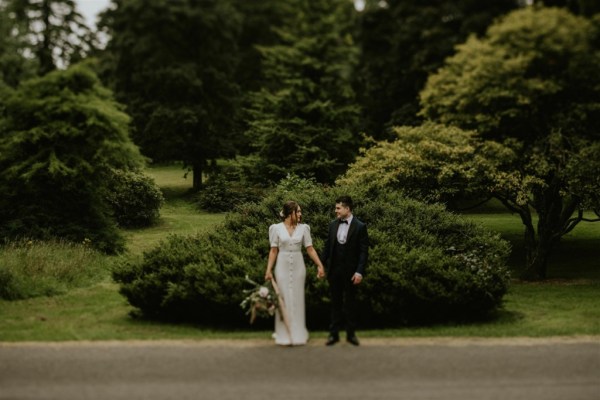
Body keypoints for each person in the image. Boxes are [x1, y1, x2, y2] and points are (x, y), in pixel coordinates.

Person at [265, 201, 325, 346]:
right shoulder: (276, 228)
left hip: (298, 267)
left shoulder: (304, 228)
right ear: (289, 213)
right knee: (283, 298)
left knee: (297, 299)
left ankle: (298, 334)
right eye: (297, 211)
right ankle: (283, 334)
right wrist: (268, 270)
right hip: (282, 266)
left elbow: (310, 248)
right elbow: (273, 250)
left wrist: (320, 265)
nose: (300, 214)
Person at [321, 195, 369, 346]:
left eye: (338, 208)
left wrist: (359, 271)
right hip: (334, 271)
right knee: (335, 303)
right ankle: (333, 335)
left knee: (350, 304)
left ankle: (351, 335)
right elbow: (327, 248)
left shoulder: (360, 226)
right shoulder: (332, 225)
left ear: (347, 209)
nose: (336, 211)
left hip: (351, 273)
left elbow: (363, 252)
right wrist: (320, 265)